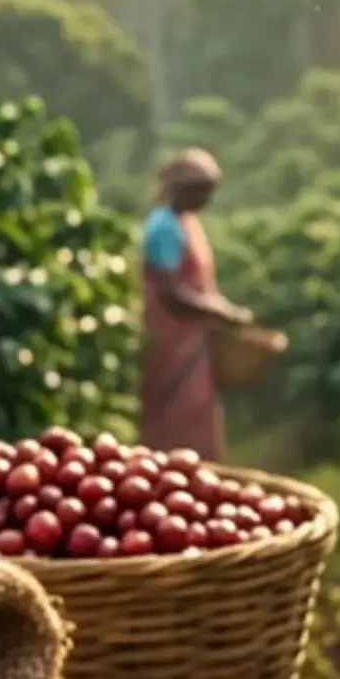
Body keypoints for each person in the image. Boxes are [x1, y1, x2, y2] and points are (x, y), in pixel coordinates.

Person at [138, 148, 251, 459]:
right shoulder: (163, 225)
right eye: (200, 191)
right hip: (171, 341)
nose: (205, 199)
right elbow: (171, 292)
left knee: (198, 416)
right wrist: (220, 310)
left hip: (192, 340)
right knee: (176, 420)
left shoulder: (185, 221)